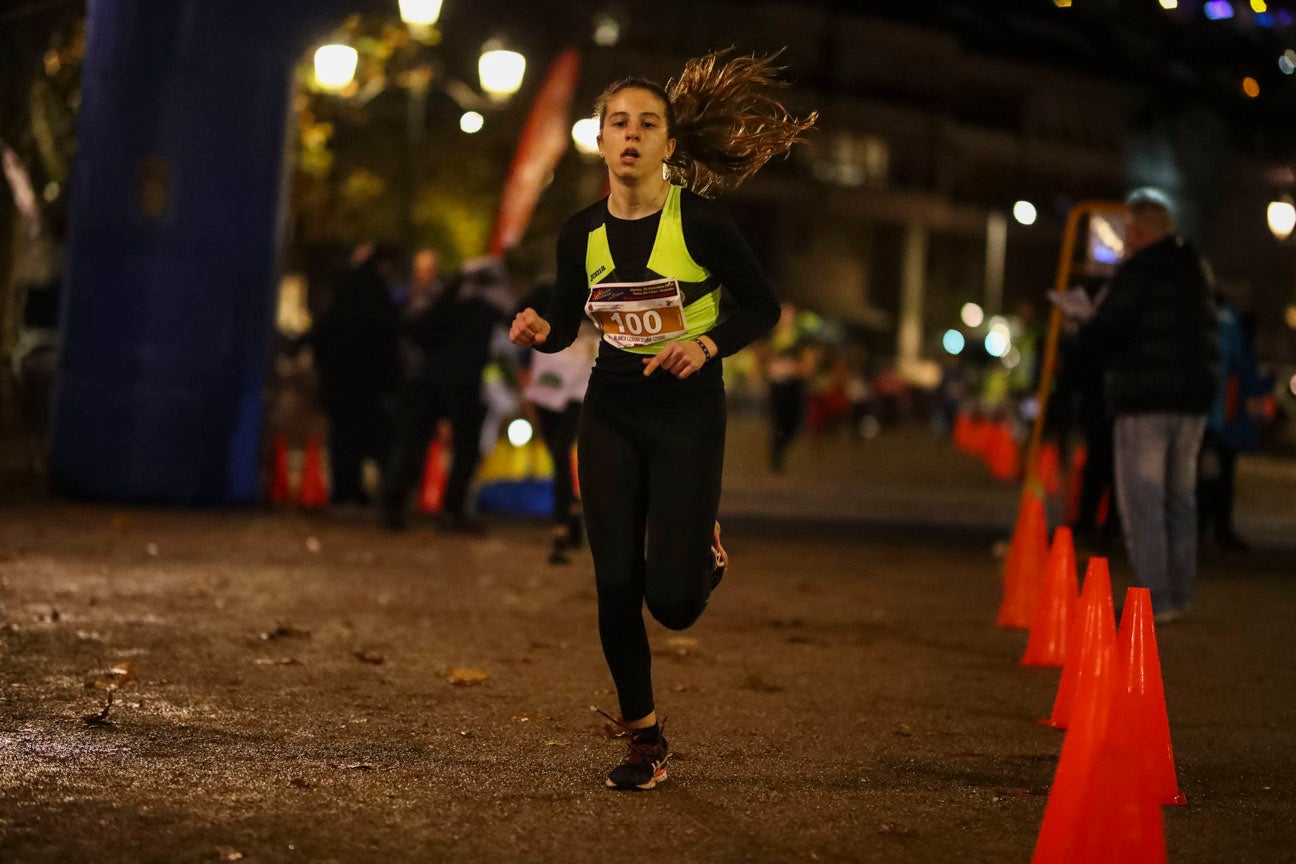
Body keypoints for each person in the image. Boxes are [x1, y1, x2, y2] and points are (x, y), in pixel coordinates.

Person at [509, 51, 814, 790]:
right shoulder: (579, 232)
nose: (632, 135)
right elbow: (562, 323)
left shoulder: (702, 224)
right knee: (613, 581)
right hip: (610, 406)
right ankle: (644, 741)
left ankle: (698, 556)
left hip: (686, 413)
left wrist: (704, 343)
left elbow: (762, 307)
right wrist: (535, 331)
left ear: (670, 145)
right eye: (619, 123)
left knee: (671, 605)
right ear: (602, 140)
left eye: (648, 124)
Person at [1073, 188, 1218, 623]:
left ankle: (1155, 600)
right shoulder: (1197, 269)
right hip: (1191, 400)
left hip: (1144, 397)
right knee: (1180, 499)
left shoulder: (1136, 271)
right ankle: (1179, 593)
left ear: (1136, 229)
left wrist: (1086, 320)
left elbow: (1110, 330)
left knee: (1143, 501)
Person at [381, 257, 513, 532]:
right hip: (462, 383)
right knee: (465, 448)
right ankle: (452, 512)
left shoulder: (447, 298)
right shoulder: (487, 304)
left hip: (430, 378)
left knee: (415, 442)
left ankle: (394, 506)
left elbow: (418, 330)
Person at [309, 243, 401, 506]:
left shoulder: (345, 292)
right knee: (371, 436)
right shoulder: (376, 295)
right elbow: (386, 338)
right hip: (367, 383)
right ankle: (367, 490)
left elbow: (323, 334)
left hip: (341, 382)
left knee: (343, 439)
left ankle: (345, 488)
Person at [518, 280, 598, 565]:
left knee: (562, 452)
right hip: (545, 388)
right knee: (557, 456)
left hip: (578, 388)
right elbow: (522, 333)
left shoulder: (596, 293)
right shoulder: (542, 293)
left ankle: (560, 528)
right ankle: (573, 509)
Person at [1198, 284, 1270, 552]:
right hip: (1220, 417)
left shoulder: (1210, 321)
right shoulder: (1231, 326)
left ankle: (1205, 530)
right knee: (1219, 476)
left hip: (1206, 414)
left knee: (1206, 475)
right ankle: (1217, 530)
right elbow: (1239, 369)